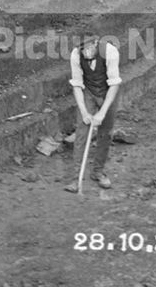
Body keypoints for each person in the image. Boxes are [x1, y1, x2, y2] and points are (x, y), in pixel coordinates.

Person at [64, 32, 121, 191]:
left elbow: (114, 84)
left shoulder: (110, 52)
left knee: (106, 133)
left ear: (96, 43)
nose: (85, 51)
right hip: (89, 92)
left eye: (89, 47)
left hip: (108, 92)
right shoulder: (75, 55)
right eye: (82, 49)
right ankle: (76, 178)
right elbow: (77, 85)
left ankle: (98, 171)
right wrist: (84, 111)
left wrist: (102, 113)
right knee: (82, 132)